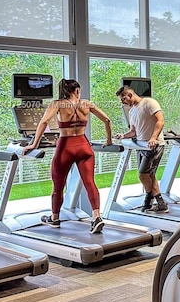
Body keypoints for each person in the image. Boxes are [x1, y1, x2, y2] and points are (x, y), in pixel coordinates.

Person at [22, 79, 112, 234]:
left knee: (58, 186)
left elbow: (44, 122)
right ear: (76, 90)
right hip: (84, 145)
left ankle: (55, 218)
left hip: (65, 146)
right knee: (90, 183)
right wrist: (109, 139)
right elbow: (107, 120)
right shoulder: (87, 104)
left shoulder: (57, 104)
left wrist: (34, 144)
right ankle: (96, 217)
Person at [115, 85, 169, 213]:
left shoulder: (149, 102)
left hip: (153, 146)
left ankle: (148, 199)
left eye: (123, 99)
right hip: (141, 146)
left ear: (130, 95)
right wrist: (123, 135)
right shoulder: (132, 111)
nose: (123, 102)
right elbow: (133, 131)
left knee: (142, 175)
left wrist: (153, 138)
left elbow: (160, 121)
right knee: (150, 175)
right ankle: (160, 204)